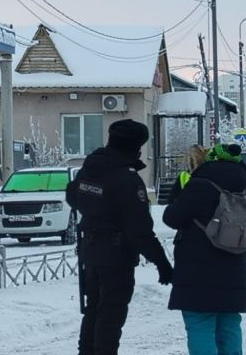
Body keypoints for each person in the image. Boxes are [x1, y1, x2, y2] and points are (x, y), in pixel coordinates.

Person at [66, 119, 173, 355]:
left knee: (93, 309)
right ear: (135, 147)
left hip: (90, 251)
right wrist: (162, 263)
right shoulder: (127, 179)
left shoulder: (91, 167)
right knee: (111, 314)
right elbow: (140, 230)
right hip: (116, 255)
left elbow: (73, 197)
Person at [162, 143, 246, 355]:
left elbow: (171, 217)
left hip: (198, 272)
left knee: (200, 324)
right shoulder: (243, 184)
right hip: (233, 267)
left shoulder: (199, 184)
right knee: (229, 326)